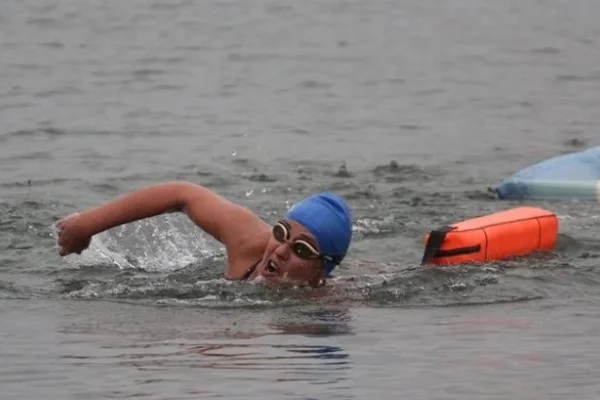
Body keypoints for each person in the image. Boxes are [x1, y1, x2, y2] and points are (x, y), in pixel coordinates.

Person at [55, 181, 353, 287]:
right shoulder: (248, 244)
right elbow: (183, 193)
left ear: (319, 272)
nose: (279, 251)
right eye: (281, 232)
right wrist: (87, 224)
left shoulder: (325, 303)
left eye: (301, 249)